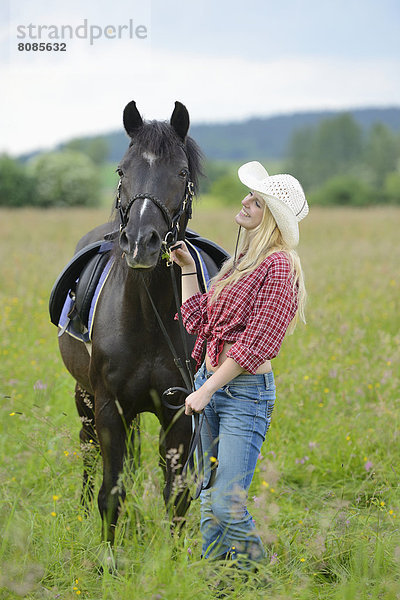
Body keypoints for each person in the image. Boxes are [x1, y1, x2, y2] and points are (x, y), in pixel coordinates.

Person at [170, 161, 309, 569]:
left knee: (226, 504)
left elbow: (257, 344)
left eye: (257, 201)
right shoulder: (238, 264)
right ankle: (218, 581)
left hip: (242, 395)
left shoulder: (280, 266)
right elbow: (200, 323)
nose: (245, 201)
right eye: (250, 195)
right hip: (210, 384)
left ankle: (260, 581)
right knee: (208, 496)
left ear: (271, 219)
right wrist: (189, 270)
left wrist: (207, 388)